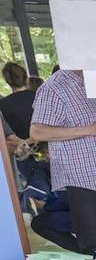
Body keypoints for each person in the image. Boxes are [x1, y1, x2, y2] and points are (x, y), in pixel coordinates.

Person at [29, 69, 96, 254]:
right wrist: (89, 129)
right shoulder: (55, 87)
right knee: (92, 242)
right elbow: (37, 132)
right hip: (84, 177)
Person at [1, 61, 52, 210]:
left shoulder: (3, 105)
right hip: (48, 147)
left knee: (38, 193)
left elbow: (8, 135)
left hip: (23, 153)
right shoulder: (40, 97)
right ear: (26, 77)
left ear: (8, 81)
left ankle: (42, 221)